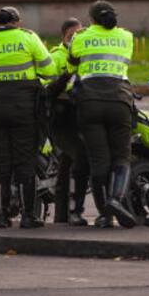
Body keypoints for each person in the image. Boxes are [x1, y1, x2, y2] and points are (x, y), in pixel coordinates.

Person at [0, 6, 56, 229]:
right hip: (23, 106)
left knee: (0, 161)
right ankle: (28, 216)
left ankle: (2, 217)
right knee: (24, 161)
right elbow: (49, 70)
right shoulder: (28, 38)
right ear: (17, 22)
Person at [67, 0, 140, 229]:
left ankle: (104, 215)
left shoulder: (81, 37)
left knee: (99, 160)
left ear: (91, 19)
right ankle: (115, 200)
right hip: (119, 101)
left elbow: (71, 67)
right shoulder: (127, 37)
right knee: (121, 158)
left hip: (90, 103)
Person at [47, 17, 90, 226]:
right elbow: (51, 86)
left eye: (79, 35)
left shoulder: (85, 53)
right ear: (63, 38)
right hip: (63, 117)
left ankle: (61, 216)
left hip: (80, 116)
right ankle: (72, 212)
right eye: (71, 36)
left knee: (66, 164)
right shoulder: (57, 56)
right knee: (79, 156)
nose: (75, 39)